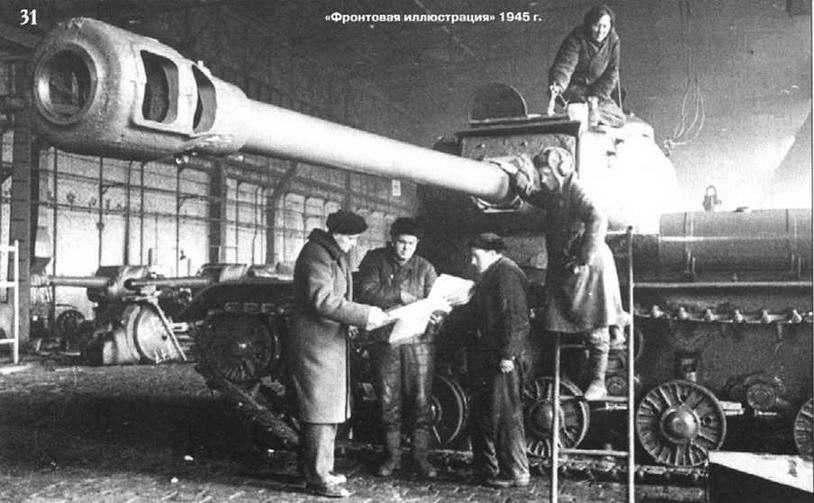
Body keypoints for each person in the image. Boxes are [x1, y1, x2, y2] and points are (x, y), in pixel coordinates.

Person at [289, 209, 390, 498]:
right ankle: (319, 478)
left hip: (329, 343)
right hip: (316, 345)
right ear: (335, 234)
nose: (354, 244)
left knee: (328, 408)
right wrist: (365, 314)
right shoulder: (316, 255)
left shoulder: (332, 253)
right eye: (350, 238)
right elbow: (321, 299)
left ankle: (316, 470)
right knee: (320, 410)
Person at [513, 147, 627, 400]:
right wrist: (522, 186)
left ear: (561, 170)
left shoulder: (576, 190)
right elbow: (540, 198)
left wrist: (584, 257)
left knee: (594, 326)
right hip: (569, 268)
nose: (543, 180)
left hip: (589, 269)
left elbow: (598, 216)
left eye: (546, 174)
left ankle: (598, 382)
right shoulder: (559, 193)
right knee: (569, 321)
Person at [356, 217, 440, 478]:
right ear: (392, 240)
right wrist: (399, 295)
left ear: (417, 244)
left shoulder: (425, 268)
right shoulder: (374, 260)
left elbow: (436, 302)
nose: (406, 248)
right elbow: (366, 291)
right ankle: (392, 458)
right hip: (386, 342)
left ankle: (420, 458)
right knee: (387, 400)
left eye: (412, 244)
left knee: (421, 401)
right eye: (402, 242)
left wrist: (437, 316)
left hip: (419, 344)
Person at [466, 232, 531, 488]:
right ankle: (488, 469)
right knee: (488, 413)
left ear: (493, 254)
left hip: (502, 357)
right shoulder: (493, 273)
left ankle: (516, 473)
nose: (472, 262)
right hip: (489, 355)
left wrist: (508, 354)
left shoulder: (506, 273)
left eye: (476, 256)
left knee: (505, 415)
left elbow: (516, 317)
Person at [548, 4, 625, 127]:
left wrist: (597, 97)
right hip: (575, 89)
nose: (600, 31)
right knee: (578, 114)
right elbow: (566, 64)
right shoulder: (577, 37)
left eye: (605, 26)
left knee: (619, 119)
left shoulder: (613, 40)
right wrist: (559, 84)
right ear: (590, 24)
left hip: (597, 90)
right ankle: (581, 112)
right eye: (597, 25)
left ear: (610, 26)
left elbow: (611, 72)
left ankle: (590, 113)